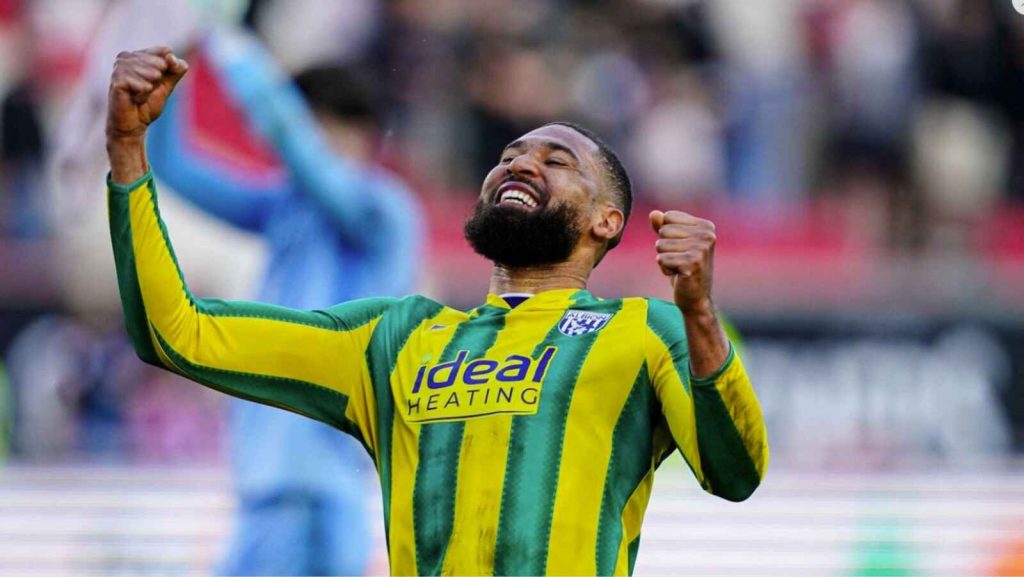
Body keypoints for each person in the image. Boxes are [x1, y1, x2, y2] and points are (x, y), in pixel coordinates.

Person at [105, 46, 768, 576]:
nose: (520, 163)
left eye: (555, 160)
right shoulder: (396, 339)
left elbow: (735, 474)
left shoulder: (644, 329)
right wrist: (129, 153)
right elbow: (178, 332)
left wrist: (701, 315)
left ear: (607, 220)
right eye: (508, 157)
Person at [144, 30, 421, 575]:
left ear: (359, 133)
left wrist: (227, 45)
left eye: (312, 124)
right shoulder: (283, 208)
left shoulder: (383, 210)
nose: (297, 143)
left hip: (320, 489)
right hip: (265, 489)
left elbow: (294, 145)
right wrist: (172, 75)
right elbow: (175, 169)